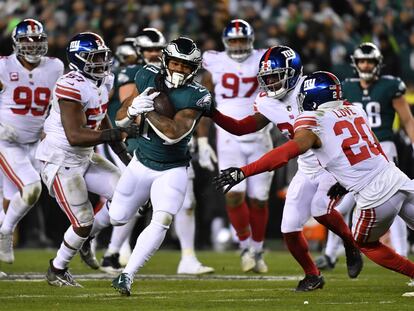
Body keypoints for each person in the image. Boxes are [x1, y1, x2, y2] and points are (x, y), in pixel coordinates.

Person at [215, 71, 414, 285]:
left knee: (365, 244)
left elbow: (283, 155)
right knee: (295, 223)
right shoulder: (356, 110)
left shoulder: (313, 121)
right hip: (397, 178)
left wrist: (244, 171)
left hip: (374, 195)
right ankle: (313, 274)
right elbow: (372, 146)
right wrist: (345, 181)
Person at [209, 46, 362, 291]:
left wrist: (351, 167)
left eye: (275, 76)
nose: (270, 83)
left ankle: (350, 243)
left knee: (320, 210)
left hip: (332, 162)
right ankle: (313, 275)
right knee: (288, 228)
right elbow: (242, 127)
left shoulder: (314, 88)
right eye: (266, 78)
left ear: (293, 72)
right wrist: (212, 113)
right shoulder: (267, 101)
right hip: (307, 165)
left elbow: (347, 121)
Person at [102, 30, 214, 276]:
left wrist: (202, 142)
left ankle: (187, 257)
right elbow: (121, 119)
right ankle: (113, 248)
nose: (179, 70)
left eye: (186, 66)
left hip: (176, 159)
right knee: (118, 215)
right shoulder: (142, 74)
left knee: (183, 206)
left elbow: (174, 132)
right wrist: (132, 110)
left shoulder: (198, 93)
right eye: (175, 63)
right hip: (142, 153)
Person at [35, 32, 138, 287]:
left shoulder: (104, 80)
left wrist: (123, 153)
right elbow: (75, 135)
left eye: (103, 56)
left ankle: (86, 239)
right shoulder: (70, 85)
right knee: (82, 221)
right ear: (78, 59)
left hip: (86, 155)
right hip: (60, 159)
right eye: (95, 57)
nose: (102, 62)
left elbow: (101, 115)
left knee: (128, 195)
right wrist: (116, 133)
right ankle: (57, 269)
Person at [315, 42, 414, 270]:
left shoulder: (390, 85)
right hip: (353, 155)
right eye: (362, 61)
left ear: (378, 63)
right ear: (355, 63)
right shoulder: (347, 88)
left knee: (391, 205)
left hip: (381, 150)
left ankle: (399, 253)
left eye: (370, 61)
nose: (366, 65)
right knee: (341, 207)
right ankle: (331, 254)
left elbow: (407, 119)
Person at [198, 19, 273, 273]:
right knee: (233, 195)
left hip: (260, 134)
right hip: (228, 136)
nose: (239, 45)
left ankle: (258, 249)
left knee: (259, 199)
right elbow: (204, 101)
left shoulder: (264, 58)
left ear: (250, 40)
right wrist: (200, 138)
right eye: (234, 41)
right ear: (226, 42)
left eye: (242, 40)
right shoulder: (214, 61)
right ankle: (244, 247)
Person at [0, 19, 64, 263]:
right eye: (27, 40)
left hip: (37, 144)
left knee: (9, 200)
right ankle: (6, 233)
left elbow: (60, 104)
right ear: (16, 42)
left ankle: (4, 230)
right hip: (6, 142)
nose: (33, 45)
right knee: (31, 188)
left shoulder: (55, 67)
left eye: (37, 39)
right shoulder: (4, 66)